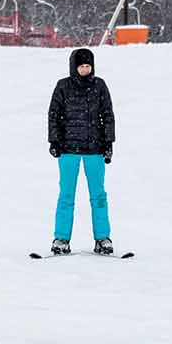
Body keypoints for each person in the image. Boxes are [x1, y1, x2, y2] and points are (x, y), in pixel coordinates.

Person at [47, 47, 118, 256]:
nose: (85, 70)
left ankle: (102, 238)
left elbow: (108, 115)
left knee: (98, 196)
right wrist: (54, 141)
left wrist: (108, 143)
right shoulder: (63, 86)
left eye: (88, 66)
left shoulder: (100, 86)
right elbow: (54, 114)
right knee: (66, 195)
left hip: (94, 149)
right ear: (74, 67)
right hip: (68, 150)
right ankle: (61, 239)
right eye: (81, 66)